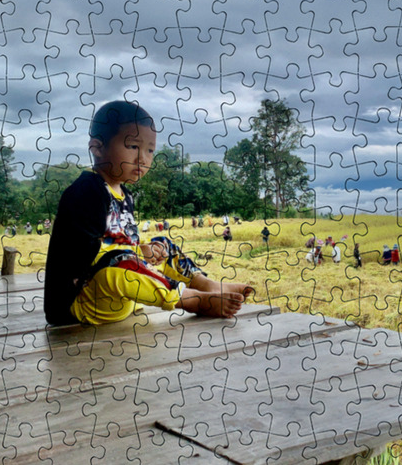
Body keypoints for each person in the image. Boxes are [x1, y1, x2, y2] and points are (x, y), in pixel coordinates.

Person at [43, 100, 252, 326]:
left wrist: (148, 250)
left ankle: (205, 284)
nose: (143, 158)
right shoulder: (87, 192)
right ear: (97, 147)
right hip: (82, 302)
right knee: (120, 262)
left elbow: (125, 241)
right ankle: (194, 301)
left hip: (122, 296)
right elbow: (86, 258)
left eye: (150, 150)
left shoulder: (126, 195)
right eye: (133, 146)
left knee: (163, 243)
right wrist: (136, 252)